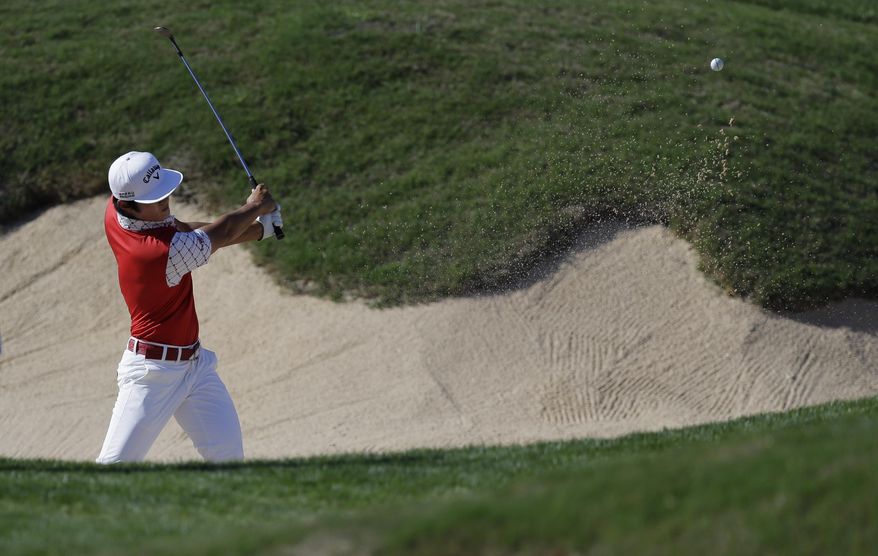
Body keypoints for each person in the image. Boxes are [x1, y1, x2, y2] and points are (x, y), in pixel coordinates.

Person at [96, 151, 281, 463]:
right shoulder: (156, 254)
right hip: (152, 375)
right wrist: (255, 207)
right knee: (114, 466)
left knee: (229, 459)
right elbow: (216, 235)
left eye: (164, 193)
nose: (165, 202)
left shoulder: (117, 214)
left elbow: (187, 230)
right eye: (156, 199)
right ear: (128, 203)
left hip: (196, 368)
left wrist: (261, 229)